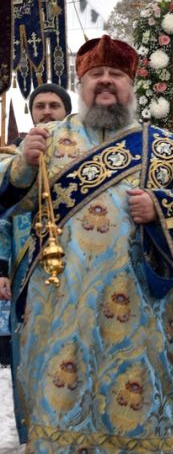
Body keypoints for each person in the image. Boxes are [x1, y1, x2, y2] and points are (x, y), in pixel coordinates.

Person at [0, 34, 173, 452]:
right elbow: (6, 202)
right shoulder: (45, 141)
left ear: (130, 85)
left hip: (138, 314)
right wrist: (23, 165)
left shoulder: (167, 149)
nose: (105, 81)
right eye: (95, 74)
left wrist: (161, 207)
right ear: (80, 85)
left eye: (115, 74)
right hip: (59, 312)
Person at [0, 84, 72, 368]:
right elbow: (2, 221)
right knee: (32, 343)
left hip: (74, 262)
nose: (46, 112)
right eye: (39, 106)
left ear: (67, 111)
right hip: (26, 263)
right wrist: (1, 270)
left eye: (54, 105)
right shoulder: (14, 157)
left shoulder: (86, 156)